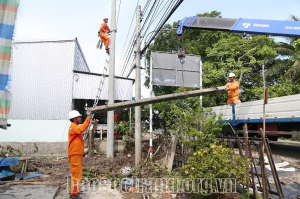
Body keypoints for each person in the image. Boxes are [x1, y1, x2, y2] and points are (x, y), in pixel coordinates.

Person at [68, 110, 91, 199]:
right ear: (74, 119)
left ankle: (75, 190)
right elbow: (82, 129)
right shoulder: (73, 127)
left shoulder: (75, 127)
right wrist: (88, 118)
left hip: (77, 154)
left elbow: (81, 130)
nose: (80, 118)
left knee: (78, 173)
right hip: (75, 154)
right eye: (79, 117)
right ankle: (73, 194)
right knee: (76, 173)